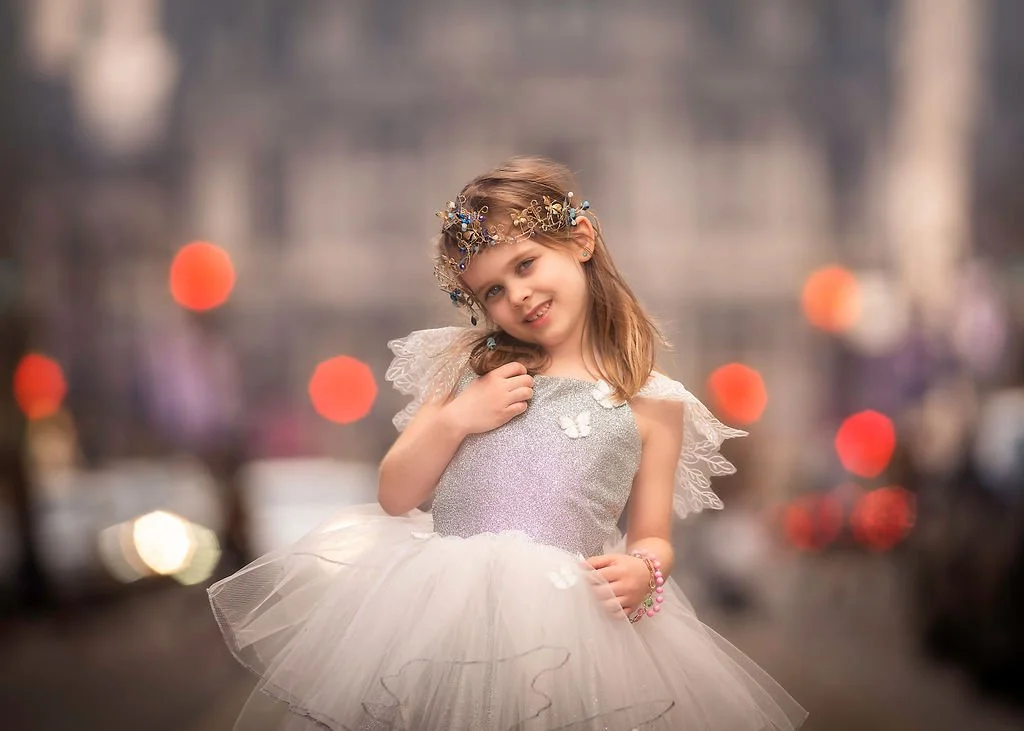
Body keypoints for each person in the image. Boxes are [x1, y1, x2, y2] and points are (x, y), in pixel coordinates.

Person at [208, 156, 808, 730]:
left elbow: (653, 533)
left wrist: (645, 571)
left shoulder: (650, 402)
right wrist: (457, 419)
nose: (516, 296)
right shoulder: (472, 370)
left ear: (580, 240)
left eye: (525, 265)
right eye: (491, 291)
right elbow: (395, 493)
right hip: (445, 611)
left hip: (572, 618)